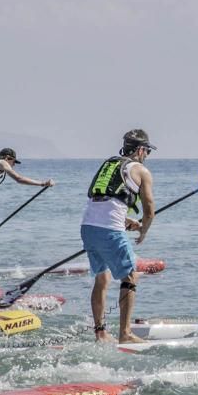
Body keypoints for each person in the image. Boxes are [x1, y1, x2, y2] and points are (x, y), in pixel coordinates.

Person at [80, 130, 156, 343]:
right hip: (109, 230)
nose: (147, 155)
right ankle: (125, 333)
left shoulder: (109, 164)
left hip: (88, 227)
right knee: (130, 276)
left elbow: (104, 199)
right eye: (147, 151)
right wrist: (144, 230)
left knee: (102, 278)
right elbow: (149, 209)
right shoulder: (141, 170)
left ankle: (101, 333)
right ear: (141, 149)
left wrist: (127, 221)